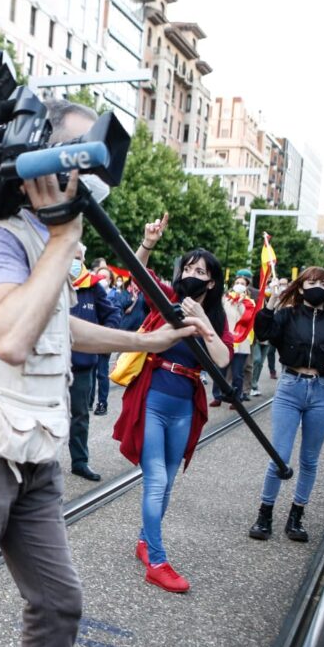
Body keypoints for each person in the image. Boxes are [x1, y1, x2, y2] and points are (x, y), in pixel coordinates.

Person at [0, 100, 211, 647]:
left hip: (30, 455)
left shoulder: (39, 240)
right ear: (41, 161)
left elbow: (55, 322)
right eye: (81, 154)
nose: (95, 174)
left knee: (59, 602)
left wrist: (147, 338)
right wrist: (66, 236)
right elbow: (12, 336)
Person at [113, 214, 232, 593]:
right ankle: (158, 561)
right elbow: (137, 273)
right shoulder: (167, 299)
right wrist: (148, 242)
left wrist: (204, 323)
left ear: (212, 281)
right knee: (156, 479)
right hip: (153, 397)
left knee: (165, 484)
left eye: (201, 270)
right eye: (189, 267)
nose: (192, 273)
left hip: (184, 404)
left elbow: (223, 359)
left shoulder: (213, 313)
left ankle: (146, 541)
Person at [248, 267, 324, 543]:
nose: (317, 286)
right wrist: (271, 305)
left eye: (323, 282)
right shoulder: (287, 315)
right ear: (300, 287)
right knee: (279, 456)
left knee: (310, 459)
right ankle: (265, 513)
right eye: (311, 282)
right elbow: (262, 332)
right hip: (290, 387)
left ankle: (297, 515)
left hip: (322, 392)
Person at [67, 244, 120, 481]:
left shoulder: (92, 286)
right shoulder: (51, 281)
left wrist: (103, 337)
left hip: (81, 365)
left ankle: (79, 461)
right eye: (70, 256)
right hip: (50, 365)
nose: (73, 261)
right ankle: (38, 465)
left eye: (77, 258)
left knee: (80, 416)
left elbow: (112, 314)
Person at [212, 272, 256, 409]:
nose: (239, 286)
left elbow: (247, 319)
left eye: (242, 284)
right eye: (237, 283)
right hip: (226, 340)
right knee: (220, 370)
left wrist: (241, 303)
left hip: (241, 342)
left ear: (247, 287)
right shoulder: (226, 299)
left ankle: (236, 399)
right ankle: (217, 396)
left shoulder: (250, 303)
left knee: (237, 373)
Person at [88, 264, 122, 416]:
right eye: (99, 276)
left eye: (105, 277)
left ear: (110, 280)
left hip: (104, 339)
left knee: (102, 373)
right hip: (90, 339)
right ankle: (89, 401)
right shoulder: (91, 292)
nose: (101, 279)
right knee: (90, 372)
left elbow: (116, 316)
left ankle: (102, 403)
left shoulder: (114, 296)